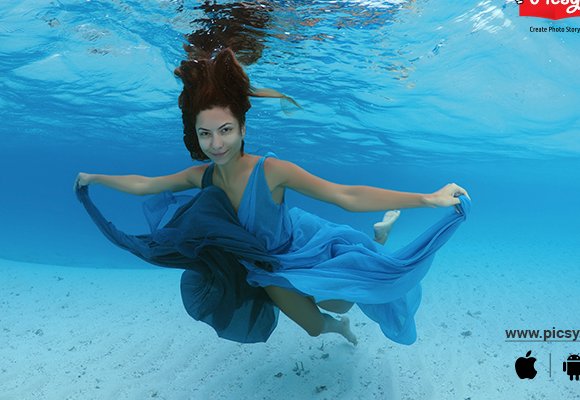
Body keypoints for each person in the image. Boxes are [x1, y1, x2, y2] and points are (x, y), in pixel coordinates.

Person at [74, 48, 470, 346]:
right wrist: (95, 178)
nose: (216, 143)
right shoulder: (203, 176)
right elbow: (147, 184)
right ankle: (346, 312)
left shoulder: (271, 171)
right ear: (194, 136)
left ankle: (376, 238)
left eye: (225, 130)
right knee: (317, 327)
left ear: (243, 127)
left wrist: (429, 198)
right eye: (205, 134)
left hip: (300, 244)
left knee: (343, 300)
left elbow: (343, 194)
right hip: (266, 265)